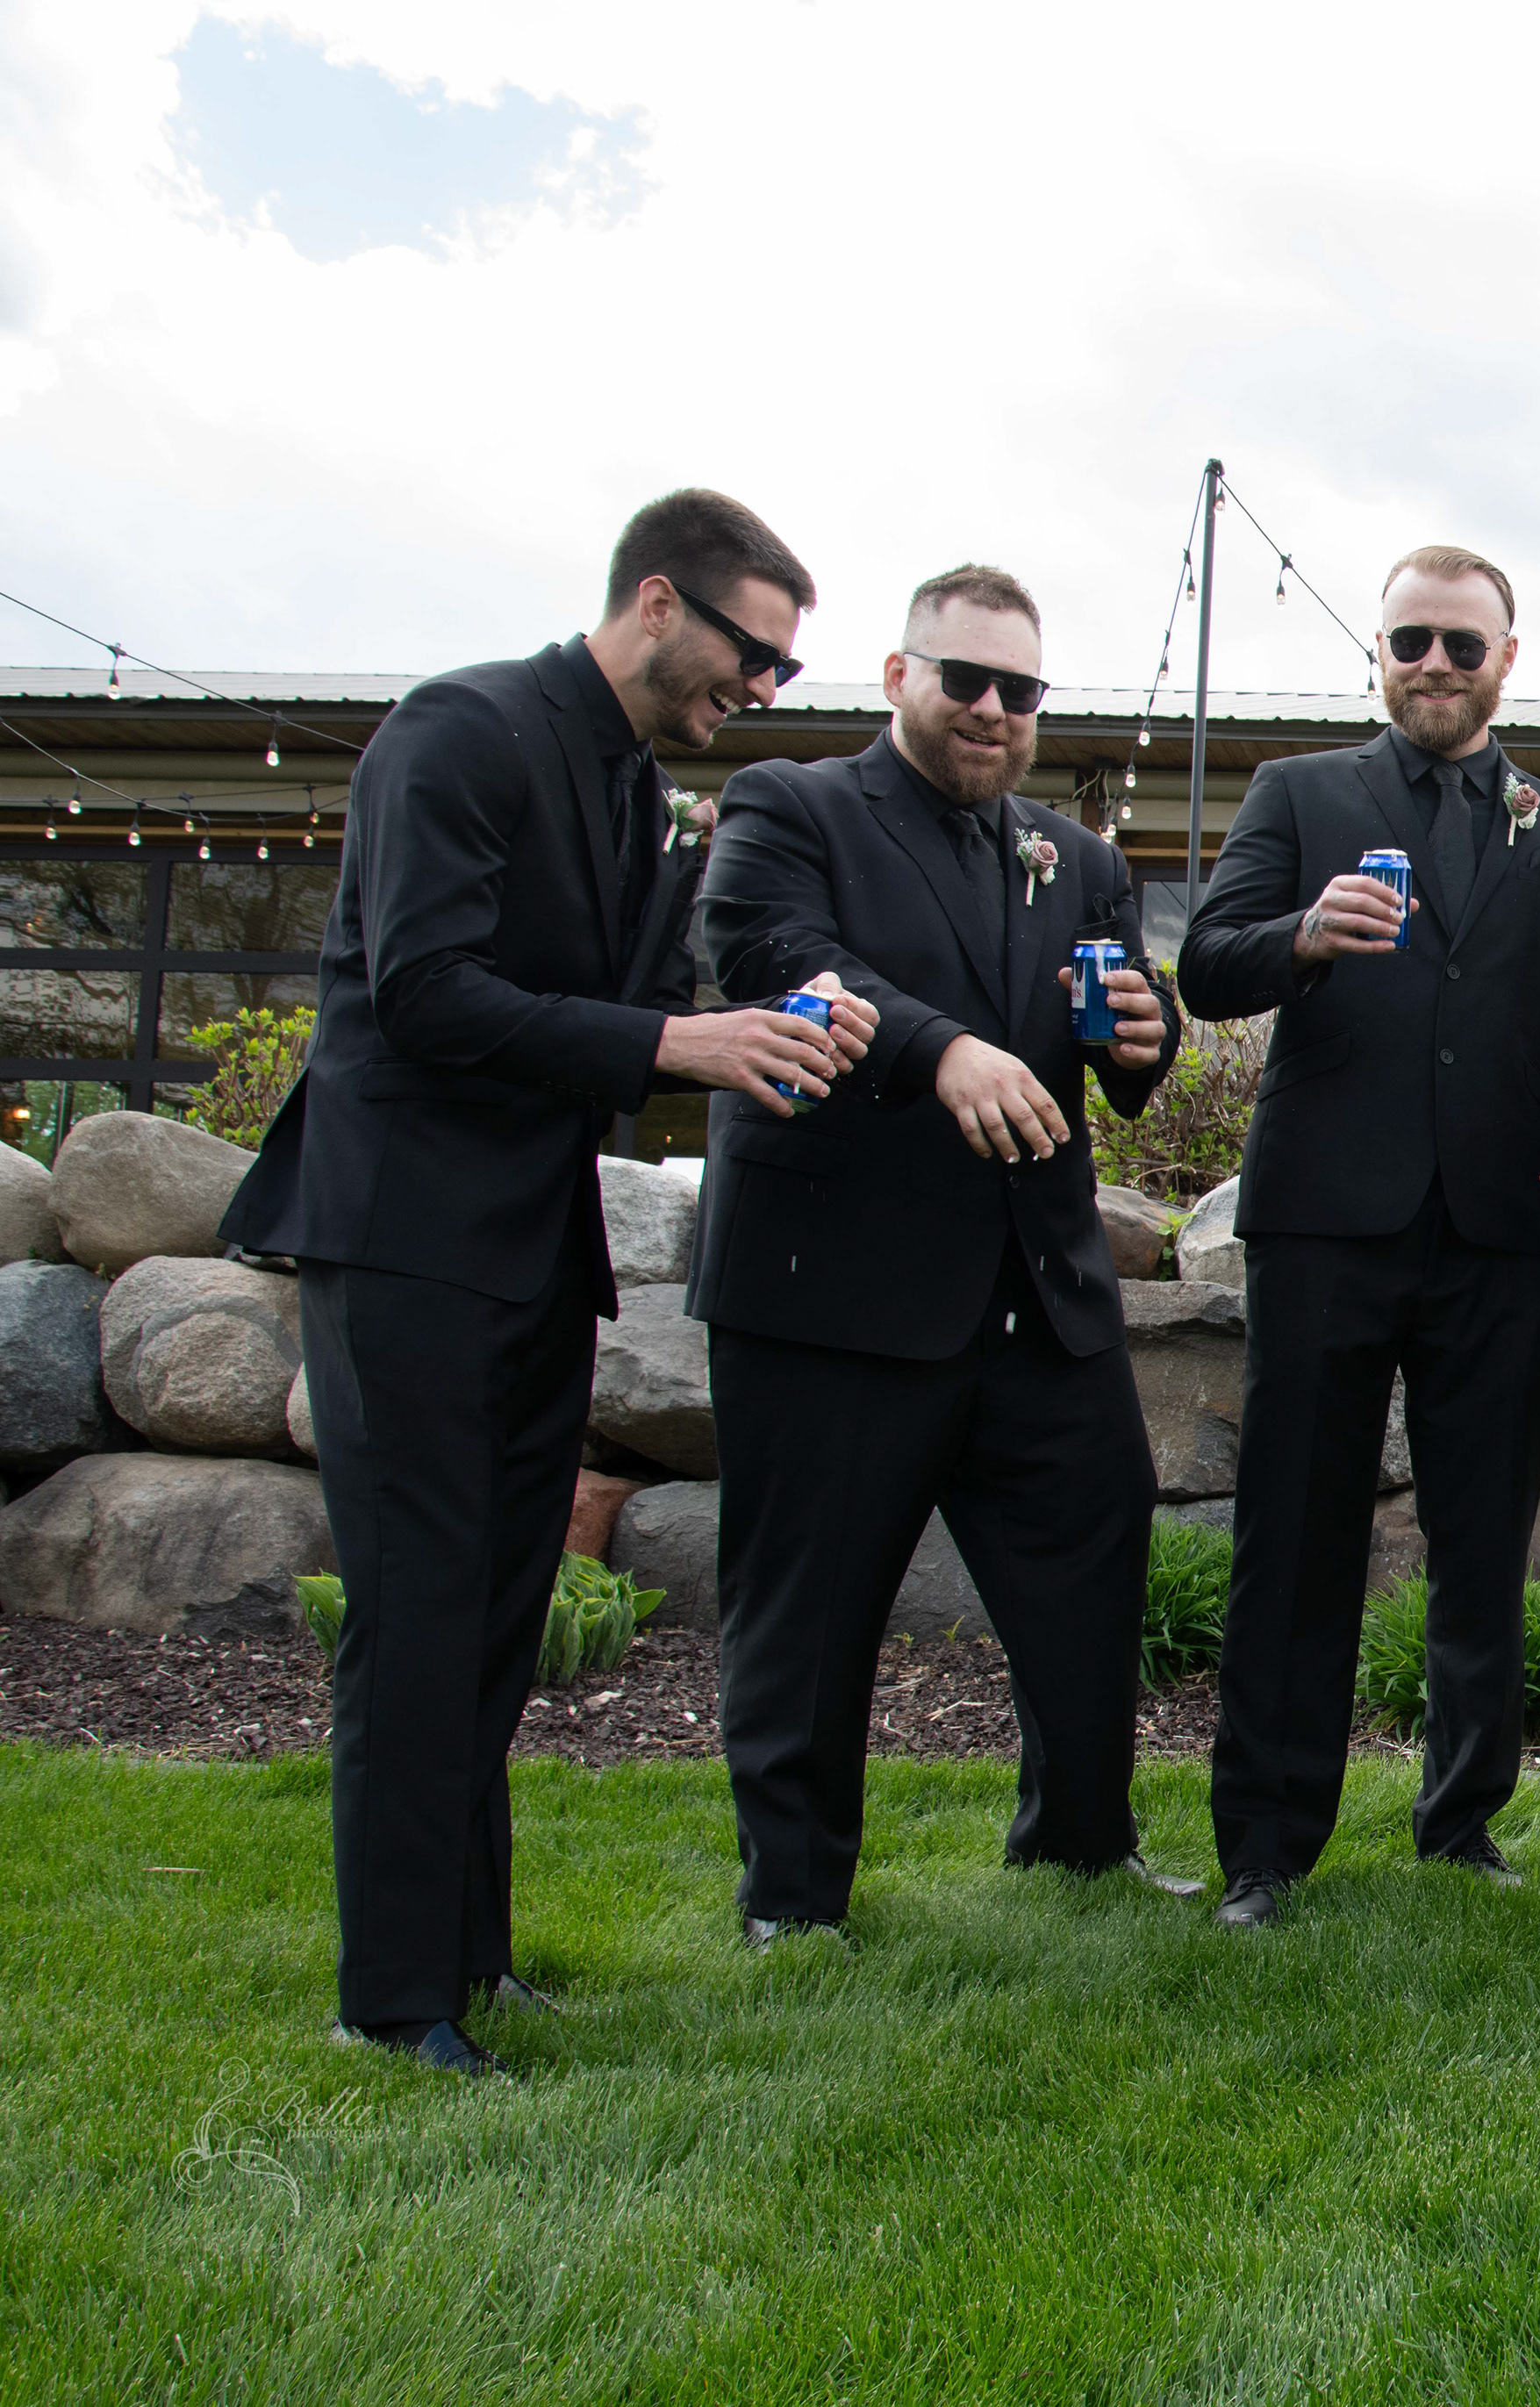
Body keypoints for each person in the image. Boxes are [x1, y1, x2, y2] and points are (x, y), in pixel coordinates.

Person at [221, 491, 853, 2071]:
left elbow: (613, 1010)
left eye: (780, 670)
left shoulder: (639, 791)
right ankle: (392, 2003)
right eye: (754, 655)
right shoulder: (460, 730)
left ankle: (470, 1961)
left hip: (531, 1245)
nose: (762, 689)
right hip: (402, 1239)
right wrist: (676, 1043)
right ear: (659, 602)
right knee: (420, 1615)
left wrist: (781, 1015)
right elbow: (425, 992)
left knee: (501, 1614)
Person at [691, 563, 1186, 1944]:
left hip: (1039, 1293)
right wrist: (940, 1050)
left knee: (1092, 1568)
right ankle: (794, 1899)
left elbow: (1122, 1046)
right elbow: (773, 953)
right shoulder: (791, 807)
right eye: (965, 679)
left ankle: (1080, 1844)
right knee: (809, 1607)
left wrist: (1144, 1042)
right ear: (899, 676)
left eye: (1020, 690)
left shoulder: (1077, 857)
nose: (992, 708)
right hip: (835, 1290)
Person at [1180, 545, 1540, 1928]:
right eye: (1409, 642)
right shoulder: (1299, 794)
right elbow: (1206, 966)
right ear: (1376, 656)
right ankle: (1267, 1848)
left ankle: (1462, 1823)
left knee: (1483, 1534)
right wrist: (1301, 934)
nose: (1434, 664)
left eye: (1460, 644)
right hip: (1327, 1223)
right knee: (1295, 1532)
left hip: (1502, 1230)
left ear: (1507, 660)